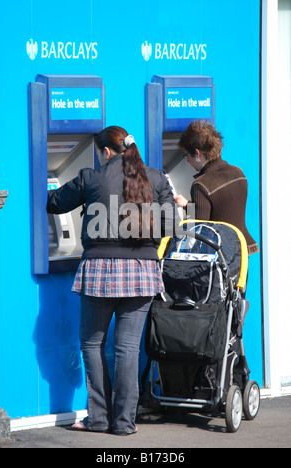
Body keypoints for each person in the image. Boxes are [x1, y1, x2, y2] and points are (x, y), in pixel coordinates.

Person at [47, 126, 176, 435]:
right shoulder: (157, 178)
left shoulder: (91, 177)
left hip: (100, 271)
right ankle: (124, 423)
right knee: (128, 348)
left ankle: (99, 418)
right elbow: (172, 225)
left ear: (106, 152)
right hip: (143, 273)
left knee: (92, 343)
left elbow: (53, 203)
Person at [174, 120, 258, 255]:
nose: (188, 160)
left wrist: (176, 229)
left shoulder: (201, 185)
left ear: (198, 153)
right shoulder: (238, 173)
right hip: (240, 253)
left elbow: (200, 230)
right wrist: (187, 205)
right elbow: (221, 208)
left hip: (218, 259)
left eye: (187, 156)